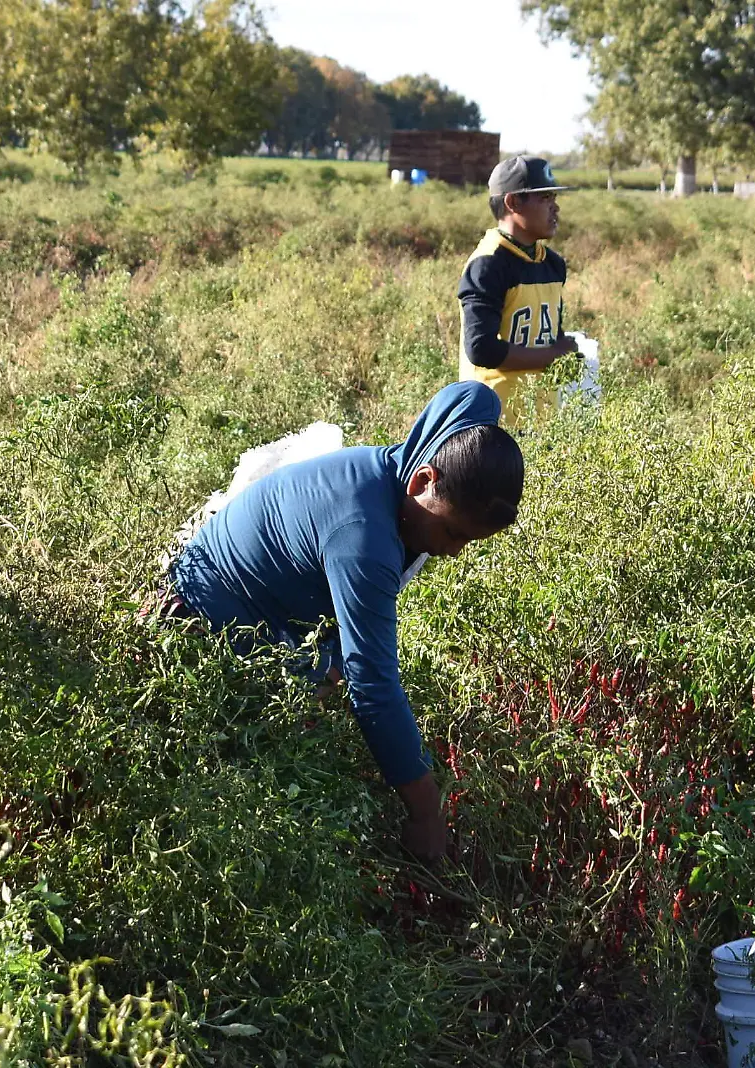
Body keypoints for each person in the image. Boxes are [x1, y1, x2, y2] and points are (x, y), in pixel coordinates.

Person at [162, 382, 523, 861]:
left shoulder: (402, 473)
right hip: (200, 620)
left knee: (327, 679)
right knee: (258, 782)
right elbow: (373, 683)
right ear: (422, 481)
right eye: (452, 532)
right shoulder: (364, 536)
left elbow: (476, 397)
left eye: (467, 542)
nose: (453, 550)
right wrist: (425, 813)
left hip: (269, 607)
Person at [458, 155, 580, 425]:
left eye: (554, 199)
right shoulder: (488, 264)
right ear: (512, 202)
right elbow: (482, 349)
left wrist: (565, 358)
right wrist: (552, 355)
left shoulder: (552, 264)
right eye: (545, 198)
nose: (555, 208)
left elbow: (548, 337)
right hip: (492, 423)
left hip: (542, 420)